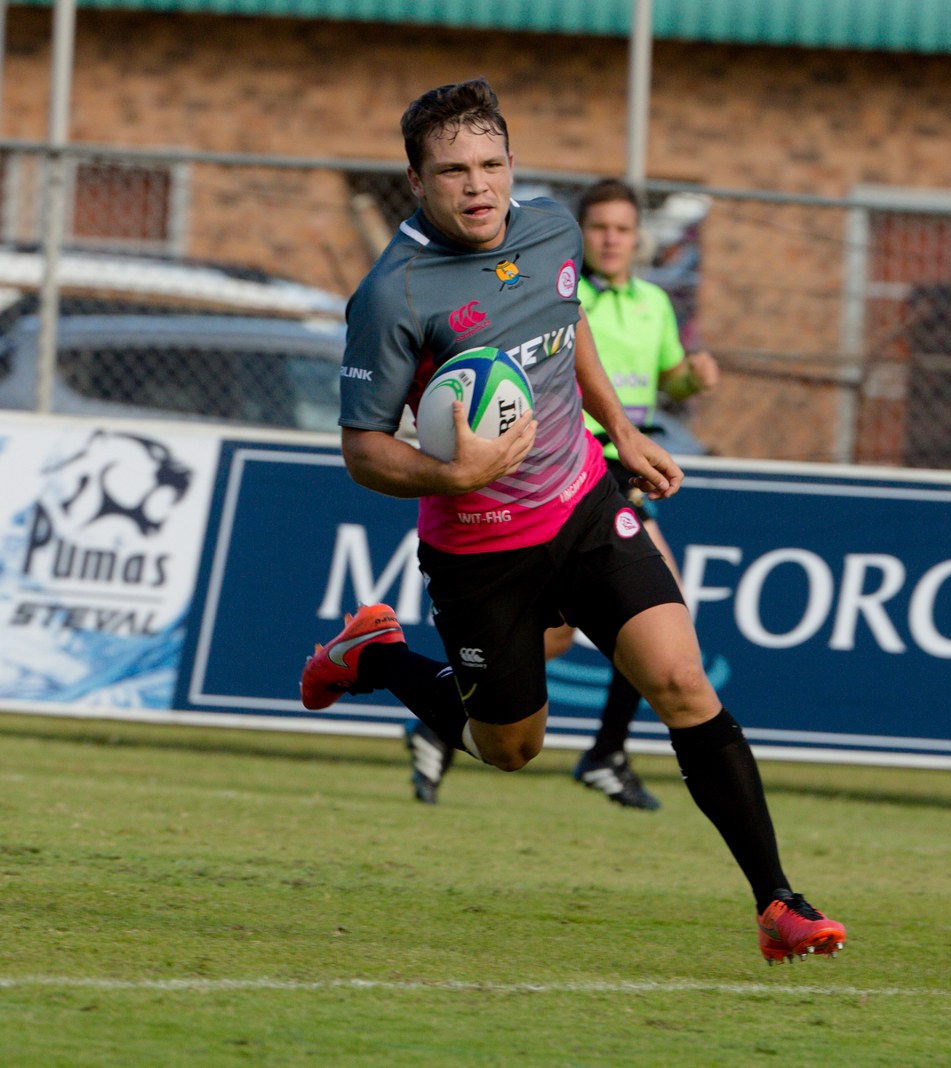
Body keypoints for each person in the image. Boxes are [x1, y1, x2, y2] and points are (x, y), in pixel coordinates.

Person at [298, 78, 845, 963]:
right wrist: (454, 472)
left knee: (682, 682)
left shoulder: (552, 228)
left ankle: (779, 903)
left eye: (491, 164)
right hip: (480, 552)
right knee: (509, 747)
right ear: (416, 181)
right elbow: (362, 449)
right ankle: (377, 655)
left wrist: (621, 428)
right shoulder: (393, 294)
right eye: (454, 172)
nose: (478, 186)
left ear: (513, 164)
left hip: (585, 506)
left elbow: (568, 319)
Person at [409, 177, 719, 812]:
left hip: (627, 462)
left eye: (623, 229)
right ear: (585, 232)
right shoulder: (560, 289)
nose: (611, 239)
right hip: (575, 467)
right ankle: (605, 753)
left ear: (638, 239)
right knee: (662, 615)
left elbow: (667, 379)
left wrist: (692, 378)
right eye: (600, 227)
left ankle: (446, 724)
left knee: (555, 638)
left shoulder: (653, 304)